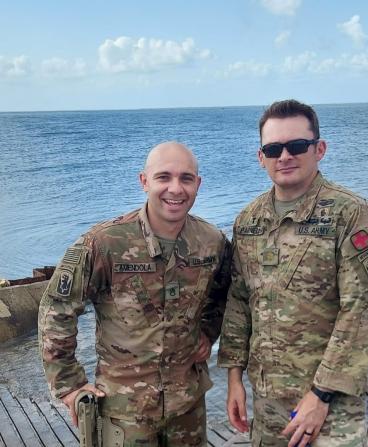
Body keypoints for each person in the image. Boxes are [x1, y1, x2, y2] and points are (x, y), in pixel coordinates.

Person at [218, 100, 368, 447]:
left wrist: (320, 395)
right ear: (261, 157)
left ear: (319, 149)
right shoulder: (248, 221)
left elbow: (363, 311)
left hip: (331, 405)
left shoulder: (350, 214)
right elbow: (239, 303)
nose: (285, 156)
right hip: (267, 401)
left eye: (297, 146)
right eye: (273, 148)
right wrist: (234, 379)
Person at [39, 141, 231, 446]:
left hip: (188, 403)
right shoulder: (104, 243)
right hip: (124, 409)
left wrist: (207, 332)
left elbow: (224, 292)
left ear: (198, 184)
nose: (175, 189)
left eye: (186, 178)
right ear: (144, 181)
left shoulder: (211, 241)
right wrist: (69, 386)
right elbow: (57, 309)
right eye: (163, 177)